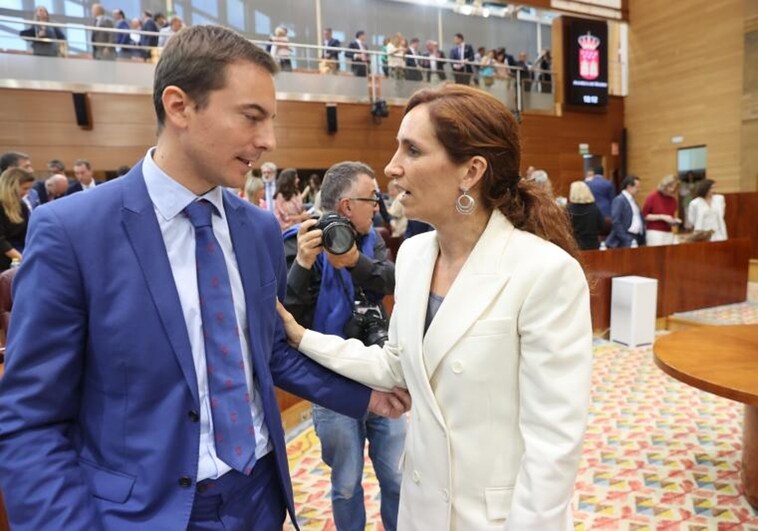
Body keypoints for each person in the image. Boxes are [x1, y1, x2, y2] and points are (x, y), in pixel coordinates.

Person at [0, 25, 409, 531]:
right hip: (142, 513)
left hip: (261, 496)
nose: (269, 141)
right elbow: (31, 422)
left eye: (272, 121)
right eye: (251, 118)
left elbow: (268, 351)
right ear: (179, 107)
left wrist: (364, 396)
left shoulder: (258, 228)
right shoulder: (72, 232)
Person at [276, 84, 593, 529]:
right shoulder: (413, 255)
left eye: (412, 150)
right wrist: (302, 336)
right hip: (421, 510)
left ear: (471, 171)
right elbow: (396, 367)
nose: (392, 167)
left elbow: (553, 447)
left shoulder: (544, 272)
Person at [283, 161, 404, 531]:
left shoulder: (373, 238)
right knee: (347, 485)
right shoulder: (298, 241)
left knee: (397, 477)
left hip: (379, 372)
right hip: (332, 382)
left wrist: (355, 262)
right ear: (348, 205)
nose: (378, 207)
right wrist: (303, 263)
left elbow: (390, 280)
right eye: (372, 199)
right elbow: (288, 318)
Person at [0, 168, 34, 270]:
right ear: (11, 186)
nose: (26, 193)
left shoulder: (21, 206)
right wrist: (22, 258)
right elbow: (1, 242)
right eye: (25, 188)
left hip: (17, 254)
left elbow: (27, 235)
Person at [605, 175, 645, 248]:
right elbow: (616, 221)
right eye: (637, 187)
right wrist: (626, 238)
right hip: (625, 240)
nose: (639, 190)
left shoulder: (633, 201)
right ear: (629, 186)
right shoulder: (619, 200)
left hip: (636, 238)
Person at [642, 174, 681, 246]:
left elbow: (670, 218)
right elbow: (645, 216)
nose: (672, 190)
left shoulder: (673, 201)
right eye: (670, 187)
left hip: (668, 232)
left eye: (674, 188)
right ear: (664, 185)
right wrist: (662, 217)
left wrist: (674, 221)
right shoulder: (652, 197)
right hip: (654, 232)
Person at [567, 180, 604, 250]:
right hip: (593, 245)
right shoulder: (594, 207)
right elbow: (601, 226)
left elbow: (565, 229)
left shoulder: (568, 209)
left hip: (575, 246)